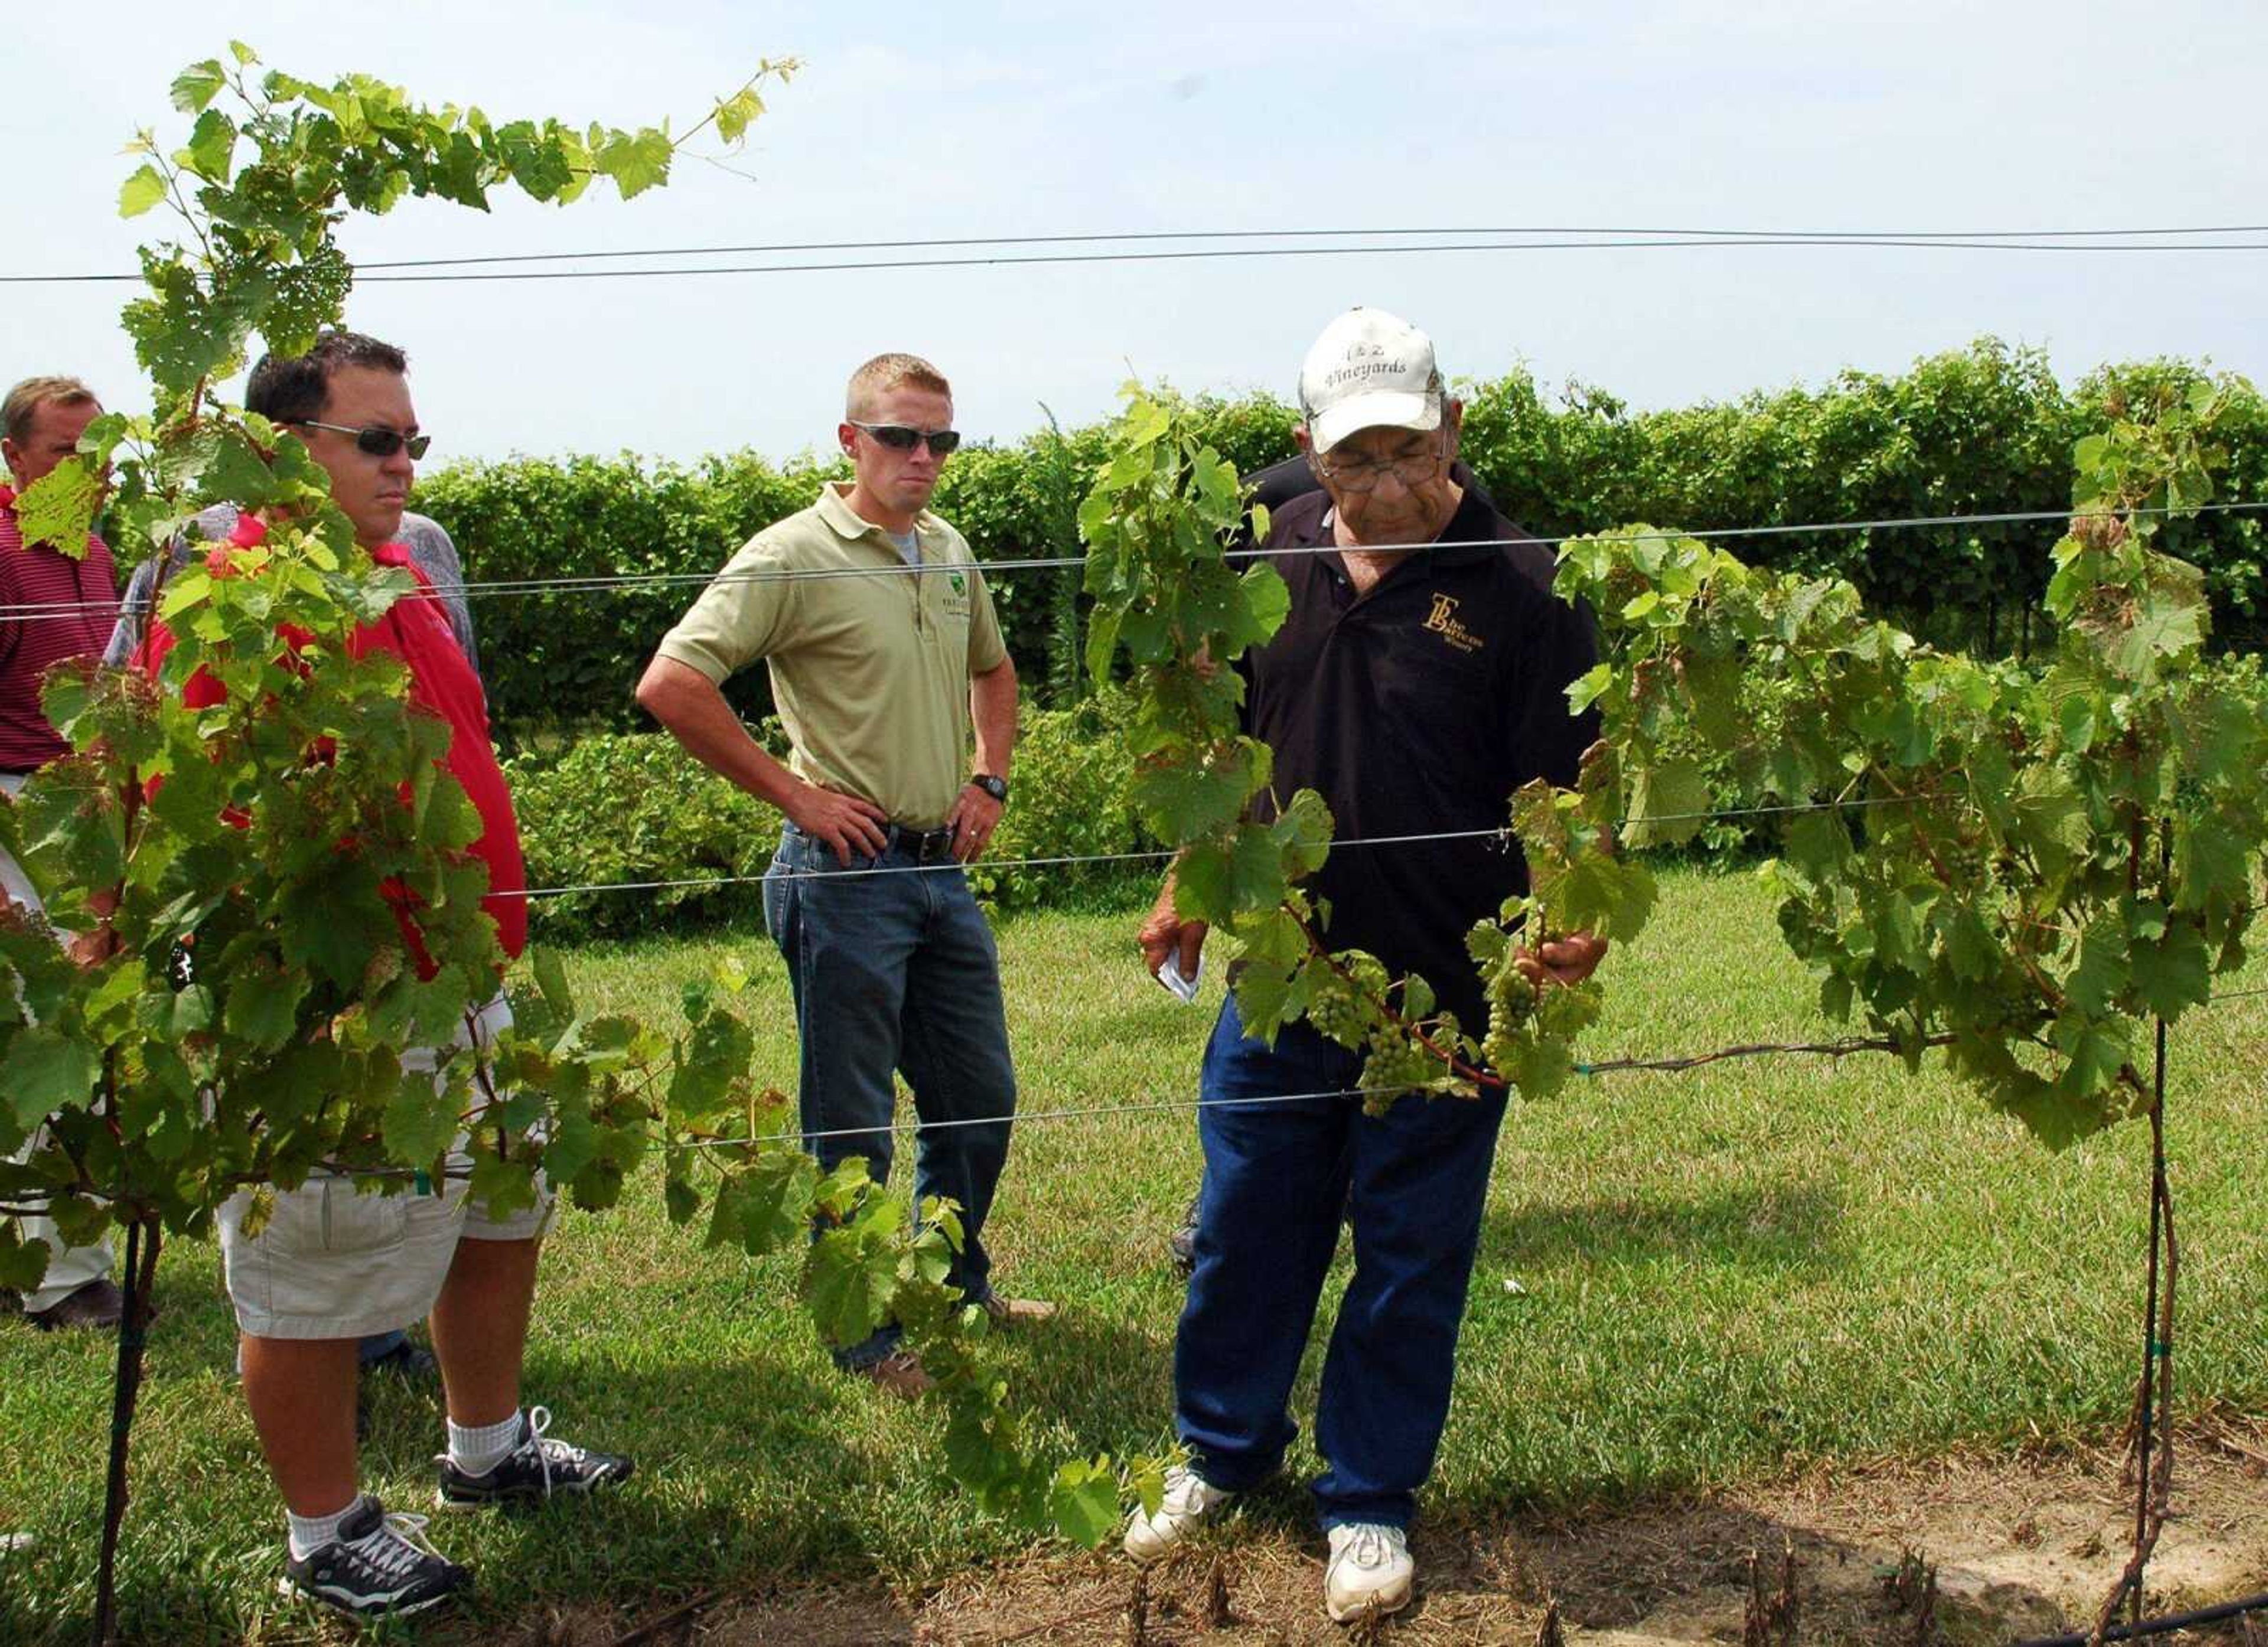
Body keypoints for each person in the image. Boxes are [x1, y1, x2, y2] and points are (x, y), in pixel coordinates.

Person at [129, 331, 630, 1619]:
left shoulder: (398, 572)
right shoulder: (230, 596)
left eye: (415, 438)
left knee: (499, 1210)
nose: (405, 463)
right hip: (334, 1008)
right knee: (315, 1265)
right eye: (378, 440)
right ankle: (327, 1528)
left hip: (464, 978)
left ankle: (488, 1450)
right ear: (282, 451)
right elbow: (189, 812)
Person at [1123, 309, 1608, 1623]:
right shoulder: (1264, 556)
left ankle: (1370, 1500)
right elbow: (1232, 746)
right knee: (1242, 1229)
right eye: (1356, 462)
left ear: (1455, 429)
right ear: (1308, 456)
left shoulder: (1526, 587)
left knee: (1408, 1250)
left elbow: (1576, 798)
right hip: (1283, 975)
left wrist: (1575, 915)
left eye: (1410, 451)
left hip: (1449, 994)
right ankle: (1222, 1453)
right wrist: (1190, 880)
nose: (1387, 485)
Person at [637, 351, 1050, 1398]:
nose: (924, 458)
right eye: (901, 438)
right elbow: (673, 682)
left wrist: (989, 779)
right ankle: (862, 1334)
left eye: (941, 440)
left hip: (937, 873)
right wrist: (795, 795)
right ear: (849, 441)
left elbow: (994, 671)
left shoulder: (949, 551)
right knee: (851, 1120)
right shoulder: (791, 556)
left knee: (979, 1098)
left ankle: (956, 1285)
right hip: (843, 874)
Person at [0, 374, 124, 1331]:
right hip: (12, 811)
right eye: (61, 453)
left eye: (96, 454)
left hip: (78, 814)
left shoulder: (92, 552)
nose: (84, 473)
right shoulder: (1, 553)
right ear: (14, 457)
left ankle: (54, 1257)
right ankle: (57, 1281)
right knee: (43, 1031)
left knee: (85, 1029)